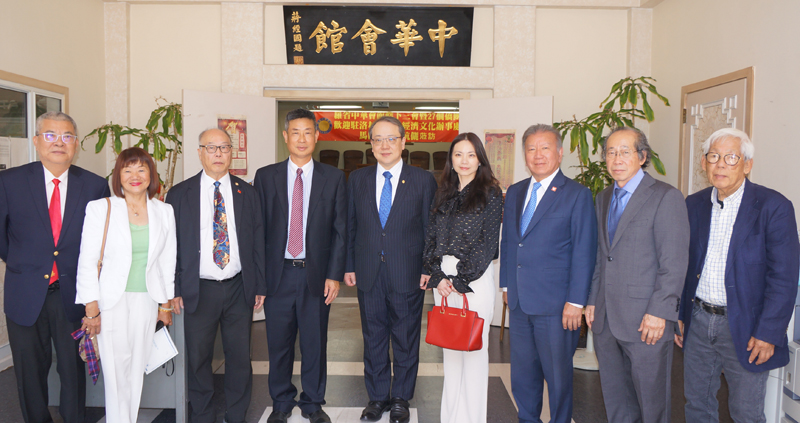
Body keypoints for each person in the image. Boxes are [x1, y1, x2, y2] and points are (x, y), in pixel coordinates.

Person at [677, 128, 799, 422]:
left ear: (747, 165)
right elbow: (683, 262)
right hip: (698, 319)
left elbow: (784, 277)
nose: (720, 164)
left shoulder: (773, 207)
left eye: (731, 157)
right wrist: (680, 312)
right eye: (714, 156)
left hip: (747, 326)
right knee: (697, 405)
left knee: (745, 412)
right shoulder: (693, 204)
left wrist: (768, 332)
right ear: (704, 162)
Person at [0, 111, 109, 423]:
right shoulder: (9, 182)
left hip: (73, 294)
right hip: (25, 291)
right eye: (50, 135)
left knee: (72, 369)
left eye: (66, 136)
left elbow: (100, 242)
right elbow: (3, 239)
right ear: (36, 141)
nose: (58, 142)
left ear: (76, 144)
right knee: (29, 370)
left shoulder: (94, 185)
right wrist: (26, 264)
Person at [585, 127, 690, 423]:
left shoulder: (666, 197)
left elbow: (674, 262)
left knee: (651, 405)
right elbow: (601, 256)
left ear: (642, 156)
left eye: (625, 152)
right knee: (617, 401)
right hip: (606, 317)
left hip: (647, 321)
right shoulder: (603, 197)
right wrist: (592, 300)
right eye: (610, 152)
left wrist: (660, 312)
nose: (616, 159)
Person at [166, 128, 265, 423]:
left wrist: (259, 284)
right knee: (198, 359)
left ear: (231, 152)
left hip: (238, 287)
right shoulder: (179, 194)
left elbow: (257, 241)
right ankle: (202, 415)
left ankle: (236, 415)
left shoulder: (247, 193)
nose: (218, 153)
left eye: (224, 147)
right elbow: (171, 246)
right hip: (198, 288)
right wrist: (174, 288)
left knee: (239, 358)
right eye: (211, 147)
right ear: (200, 153)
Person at [499, 124, 597, 423]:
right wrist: (506, 286)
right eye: (531, 149)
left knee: (557, 378)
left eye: (545, 148)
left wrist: (576, 302)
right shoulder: (515, 192)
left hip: (557, 306)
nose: (538, 155)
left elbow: (584, 251)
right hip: (520, 302)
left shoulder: (577, 195)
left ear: (560, 152)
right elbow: (510, 242)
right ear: (525, 154)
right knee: (522, 375)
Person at [254, 108, 346, 423]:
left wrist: (334, 274)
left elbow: (340, 230)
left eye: (308, 132)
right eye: (296, 132)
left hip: (315, 275)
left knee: (314, 343)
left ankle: (312, 402)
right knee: (278, 344)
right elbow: (258, 231)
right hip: (278, 274)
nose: (302, 139)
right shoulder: (265, 177)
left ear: (317, 137)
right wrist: (259, 280)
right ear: (286, 136)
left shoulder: (333, 178)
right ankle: (281, 402)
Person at [344, 116, 438, 423]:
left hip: (407, 272)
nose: (385, 145)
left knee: (406, 339)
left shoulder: (422, 180)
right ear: (371, 145)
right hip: (368, 271)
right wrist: (349, 265)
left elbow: (430, 229)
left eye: (391, 139)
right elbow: (350, 226)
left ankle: (400, 398)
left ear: (403, 142)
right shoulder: (357, 179)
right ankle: (377, 397)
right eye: (378, 139)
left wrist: (427, 267)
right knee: (373, 338)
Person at [75, 147, 176, 423]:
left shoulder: (164, 211)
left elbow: (167, 260)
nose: (135, 176)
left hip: (147, 300)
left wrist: (165, 304)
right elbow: (87, 260)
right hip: (111, 302)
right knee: (116, 372)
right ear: (118, 176)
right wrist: (91, 309)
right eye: (127, 169)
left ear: (151, 175)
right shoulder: (101, 208)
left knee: (136, 369)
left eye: (141, 169)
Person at [423, 132, 503, 423]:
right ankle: (451, 417)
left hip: (473, 279)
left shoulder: (491, 193)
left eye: (471, 154)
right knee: (451, 351)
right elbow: (430, 236)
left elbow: (488, 244)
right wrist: (437, 275)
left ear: (480, 159)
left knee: (473, 352)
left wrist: (459, 280)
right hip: (443, 279)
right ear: (451, 160)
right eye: (458, 154)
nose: (464, 160)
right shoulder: (443, 192)